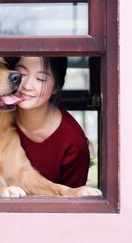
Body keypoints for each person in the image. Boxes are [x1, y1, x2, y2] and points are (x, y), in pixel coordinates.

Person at [10, 56, 90, 188]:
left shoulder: (73, 142)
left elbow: (74, 200)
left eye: (40, 78)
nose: (27, 86)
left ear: (56, 87)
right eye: (21, 74)